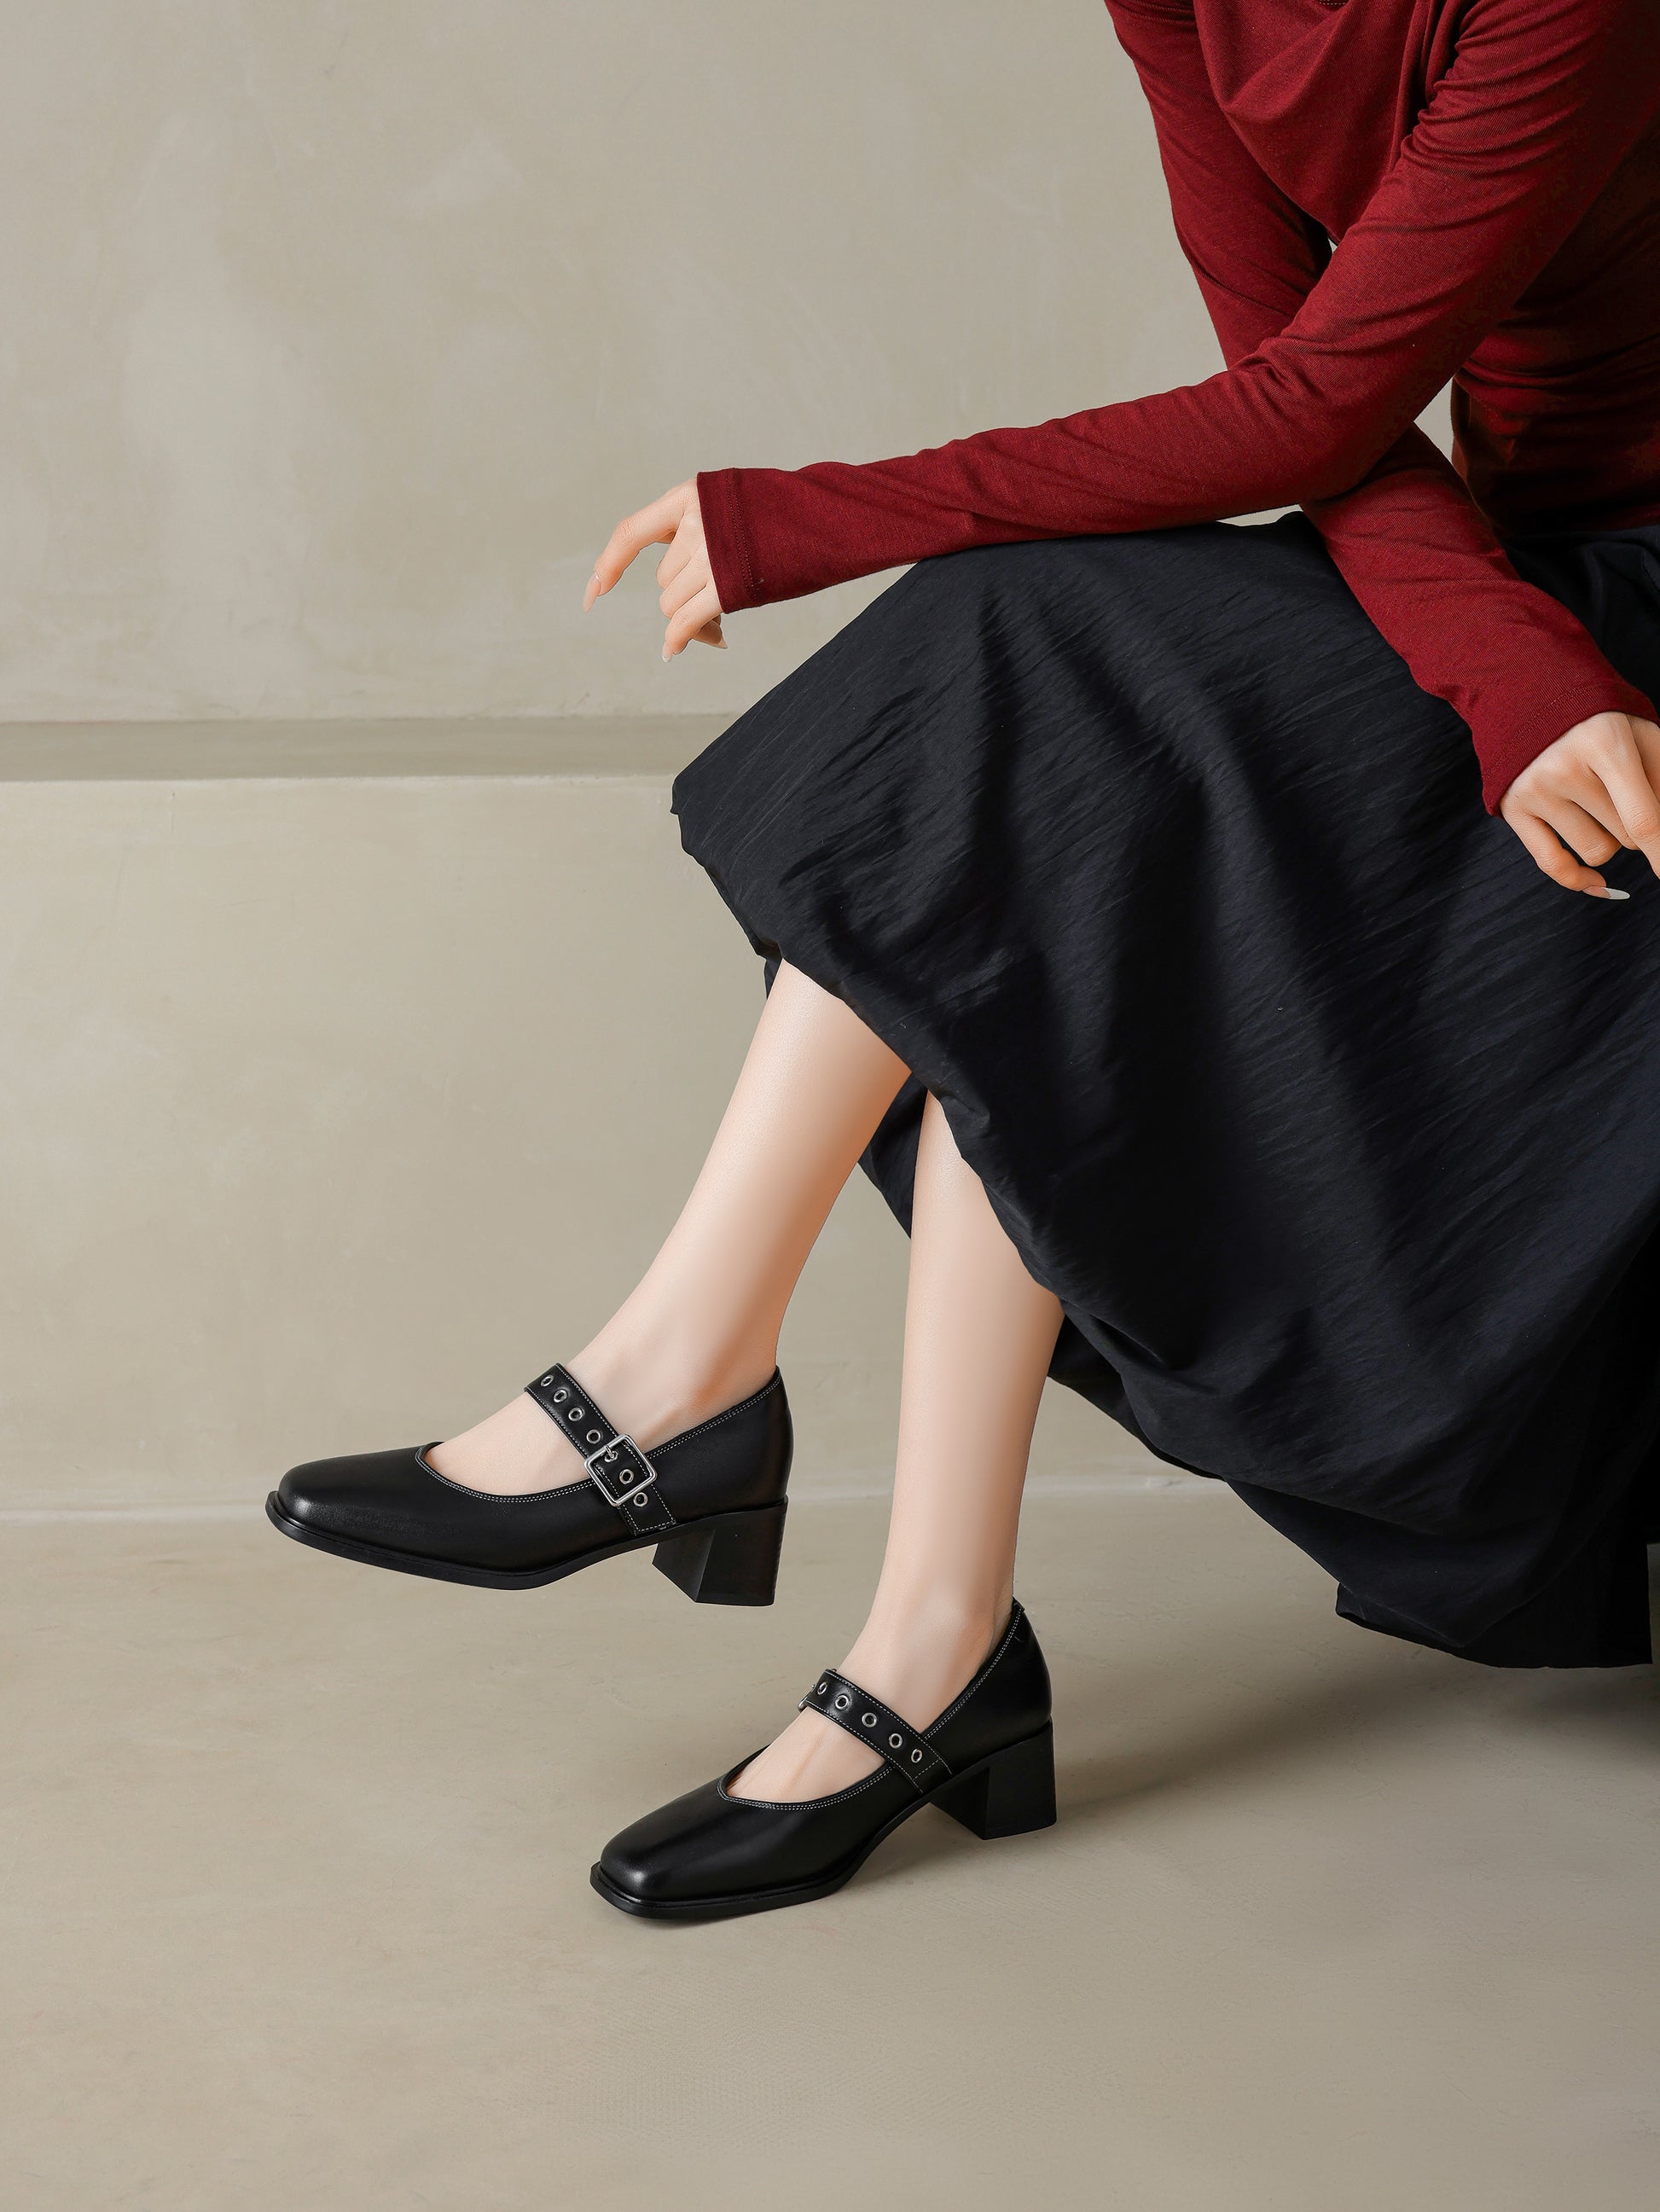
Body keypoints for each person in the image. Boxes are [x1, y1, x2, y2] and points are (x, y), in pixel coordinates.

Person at [268, 0, 1660, 1919]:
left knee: (1026, 677)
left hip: (1629, 612)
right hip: (1516, 592)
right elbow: (1313, 390)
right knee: (1040, 777)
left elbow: (1313, 412)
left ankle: (708, 1418)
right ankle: (910, 1614)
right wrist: (1496, 656)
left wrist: (799, 519)